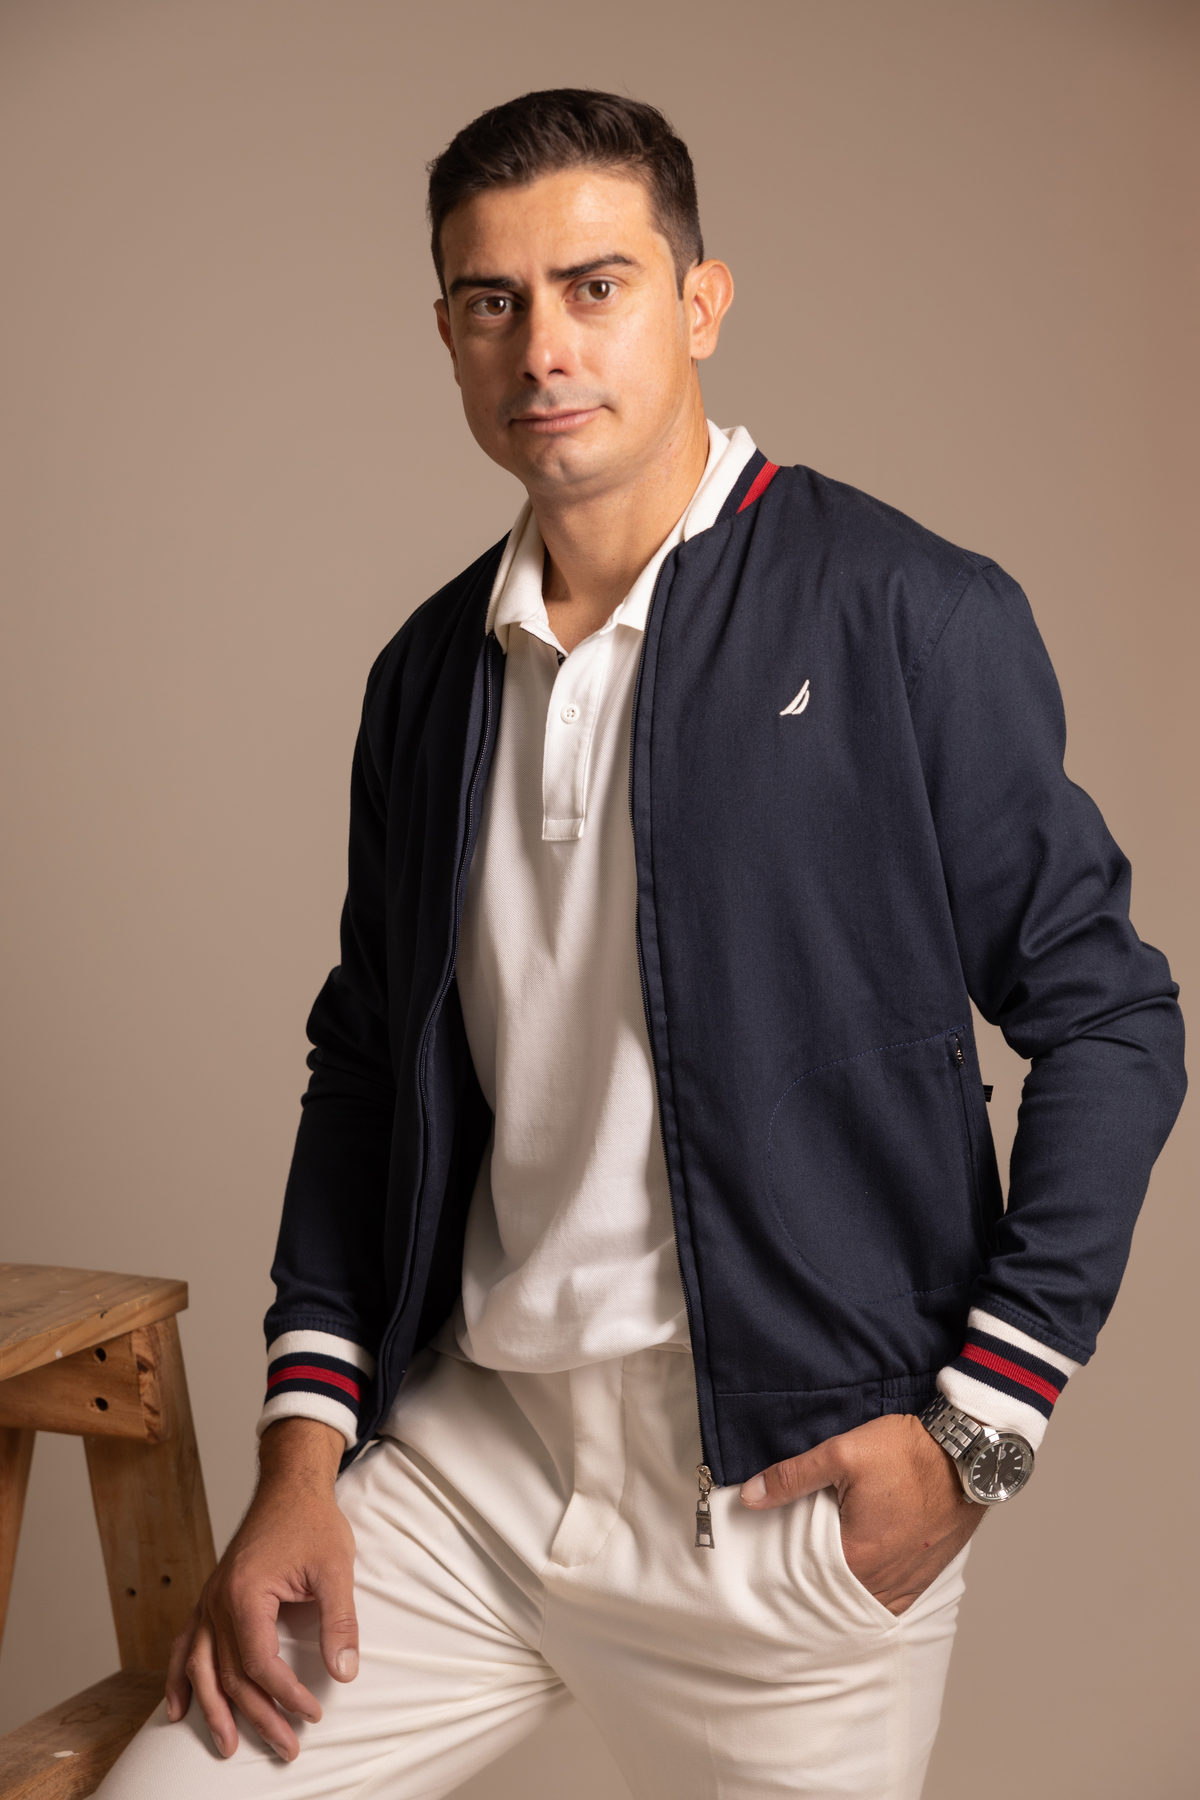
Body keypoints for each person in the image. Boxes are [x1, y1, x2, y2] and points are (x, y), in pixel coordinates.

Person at [98, 89, 1185, 1800]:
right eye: (492, 300)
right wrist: (303, 1458)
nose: (542, 346)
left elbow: (1112, 1018)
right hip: (468, 1473)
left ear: (699, 303)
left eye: (594, 286)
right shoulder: (428, 676)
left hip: (778, 1504)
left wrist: (981, 1431)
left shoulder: (904, 611)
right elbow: (368, 1065)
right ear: (449, 336)